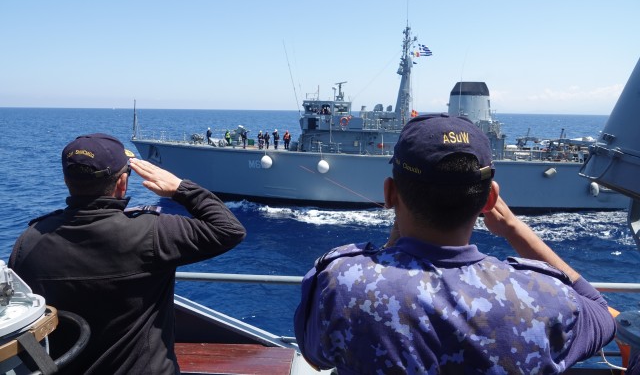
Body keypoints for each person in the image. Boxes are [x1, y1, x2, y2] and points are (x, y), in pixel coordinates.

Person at [294, 114, 616, 374]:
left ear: (390, 193)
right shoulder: (546, 297)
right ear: (490, 199)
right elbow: (601, 312)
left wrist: (392, 245)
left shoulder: (340, 284)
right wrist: (515, 229)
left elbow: (314, 357)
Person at [9, 133, 246, 374]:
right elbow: (229, 229)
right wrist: (180, 188)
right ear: (122, 182)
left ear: (66, 180)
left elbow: (25, 322)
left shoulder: (28, 243)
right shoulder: (150, 234)